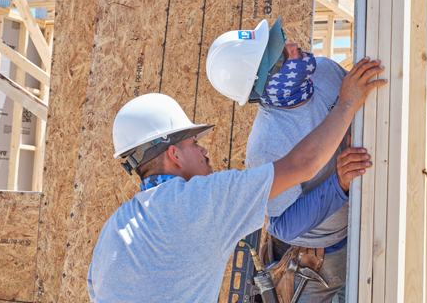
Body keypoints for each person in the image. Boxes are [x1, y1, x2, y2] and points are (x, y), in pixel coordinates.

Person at [86, 18, 386, 302]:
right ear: (173, 154)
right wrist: (347, 103)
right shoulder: (202, 201)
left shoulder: (114, 226)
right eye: (194, 143)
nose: (205, 152)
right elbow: (301, 166)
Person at [206, 19, 384, 303]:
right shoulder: (267, 145)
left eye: (281, 40)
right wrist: (338, 183)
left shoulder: (323, 71)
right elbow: (282, 226)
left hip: (366, 223)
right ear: (263, 82)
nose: (292, 46)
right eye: (279, 53)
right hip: (321, 261)